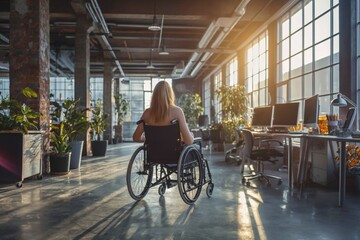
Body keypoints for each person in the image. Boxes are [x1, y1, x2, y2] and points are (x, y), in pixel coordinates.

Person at [133, 81, 194, 145]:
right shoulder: (177, 112)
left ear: (154, 95)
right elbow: (189, 141)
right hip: (173, 153)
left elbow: (136, 137)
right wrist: (191, 136)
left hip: (153, 154)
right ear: (170, 94)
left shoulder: (147, 113)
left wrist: (149, 139)